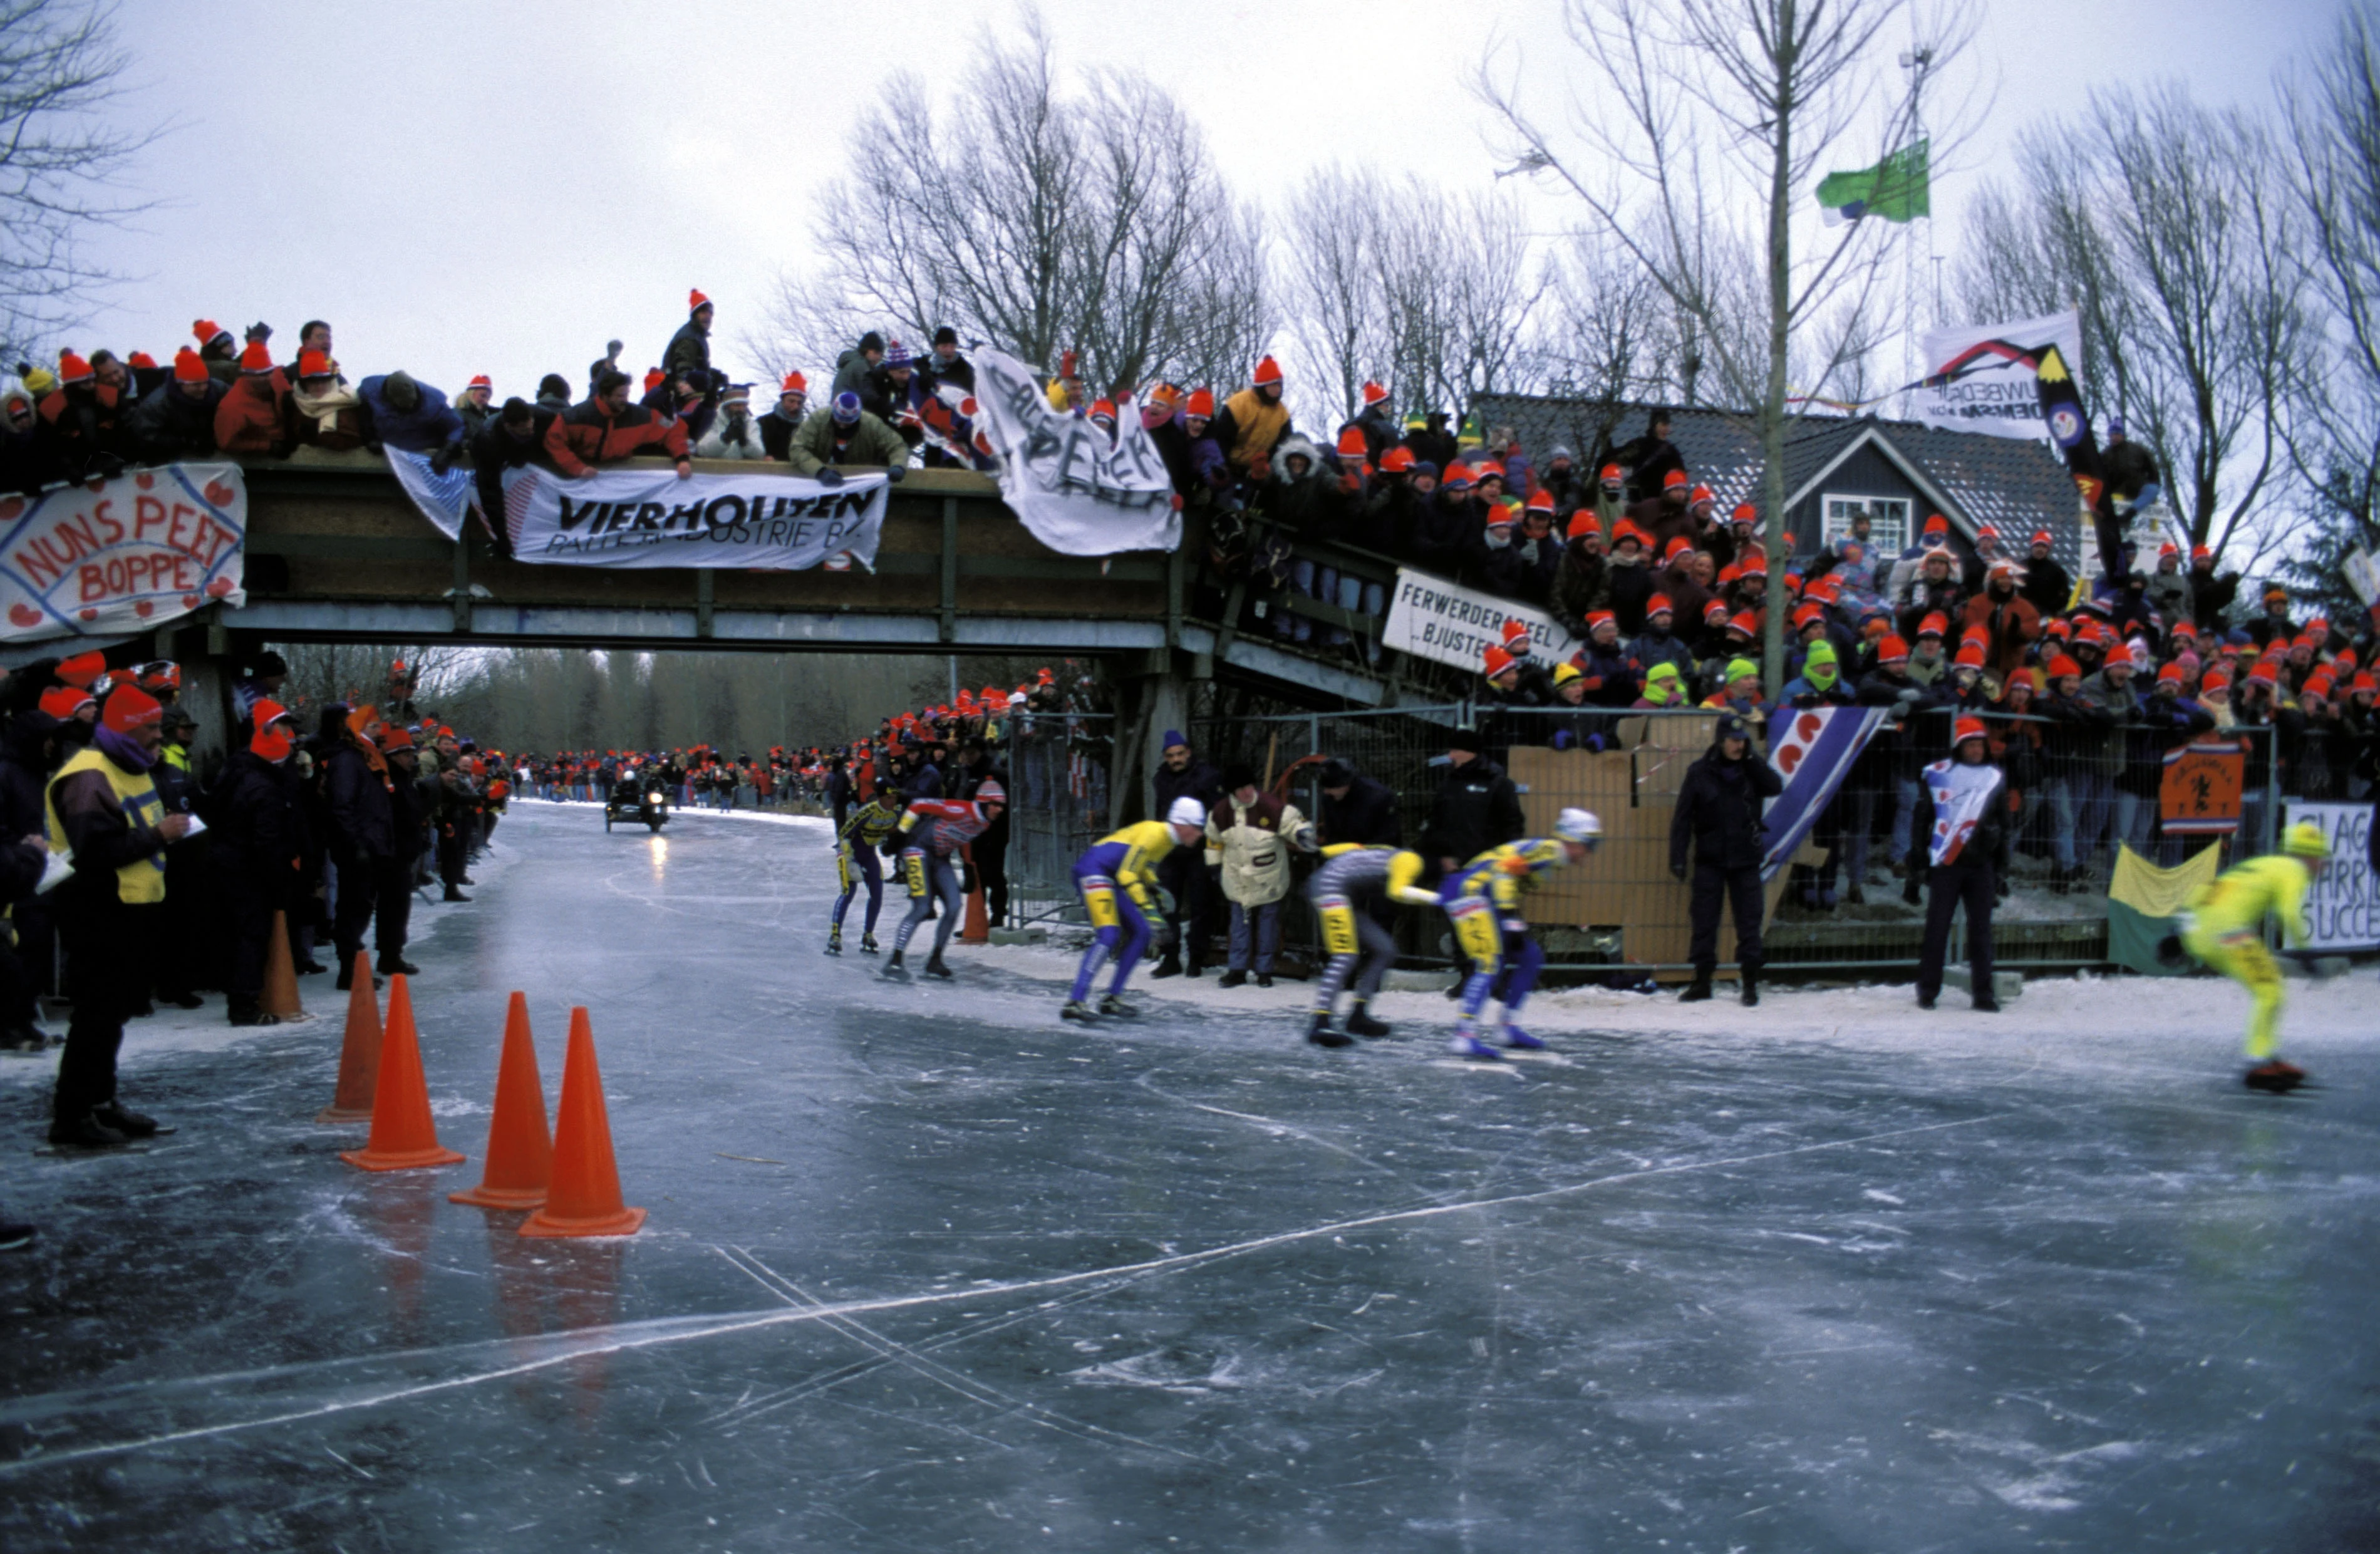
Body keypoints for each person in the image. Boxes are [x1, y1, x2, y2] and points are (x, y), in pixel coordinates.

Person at [44, 684, 191, 1148]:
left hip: (133, 905)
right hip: (98, 908)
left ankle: (101, 1102)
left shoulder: (135, 764)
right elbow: (92, 851)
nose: (158, 736)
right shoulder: (89, 775)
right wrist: (159, 835)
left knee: (114, 1013)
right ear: (128, 728)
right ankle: (72, 1115)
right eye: (150, 727)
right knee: (95, 1014)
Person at [2180, 821, 2332, 1092]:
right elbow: (2289, 913)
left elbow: (2212, 887)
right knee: (2269, 990)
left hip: (2200, 929)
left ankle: (2266, 1053)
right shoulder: (2293, 870)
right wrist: (2306, 952)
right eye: (2321, 859)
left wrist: (2177, 932)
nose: (2322, 867)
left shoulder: (2265, 863)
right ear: (2308, 856)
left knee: (2269, 988)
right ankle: (2258, 1059)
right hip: (2228, 932)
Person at [1437, 809, 1602, 1060]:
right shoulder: (1551, 850)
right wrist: (1510, 914)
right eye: (1589, 844)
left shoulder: (1551, 854)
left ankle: (1506, 1028)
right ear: (1573, 839)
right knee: (1490, 964)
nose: (1590, 852)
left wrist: (1509, 914)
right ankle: (1465, 1036)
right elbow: (1505, 871)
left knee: (1529, 956)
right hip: (1474, 893)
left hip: (1478, 893)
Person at [1670, 713, 1784, 1006]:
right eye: (1734, 741)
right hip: (1710, 858)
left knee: (1749, 921)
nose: (1738, 746)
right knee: (1705, 921)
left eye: (1743, 741)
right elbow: (1682, 819)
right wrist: (1678, 857)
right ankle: (1702, 981)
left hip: (1745, 858)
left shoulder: (1750, 769)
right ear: (1720, 741)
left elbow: (1775, 786)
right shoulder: (1699, 772)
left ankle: (1749, 983)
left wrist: (1753, 759)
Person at [1062, 797, 1207, 1022]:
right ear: (1182, 824)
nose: (1199, 834)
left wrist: (1157, 888)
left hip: (1109, 871)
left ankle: (1113, 998)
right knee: (1109, 935)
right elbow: (1127, 874)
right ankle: (1075, 1001)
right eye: (1197, 827)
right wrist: (1151, 911)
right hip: (1095, 869)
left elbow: (1140, 867)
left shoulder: (1168, 839)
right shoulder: (1157, 835)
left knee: (1142, 933)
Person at [1910, 717, 2014, 1013]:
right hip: (1947, 861)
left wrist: (2003, 867)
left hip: (1982, 863)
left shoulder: (1994, 778)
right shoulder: (1939, 775)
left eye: (1980, 743)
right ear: (1960, 747)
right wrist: (1918, 855)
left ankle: (1983, 994)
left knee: (1982, 931)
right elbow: (1923, 817)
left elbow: (2005, 824)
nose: (1977, 749)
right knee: (1937, 929)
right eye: (1971, 744)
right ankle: (1928, 991)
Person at [1304, 843, 1436, 1047]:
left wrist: (1321, 851)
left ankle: (1358, 1015)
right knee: (1345, 955)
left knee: (1385, 949)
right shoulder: (1411, 860)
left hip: (1341, 892)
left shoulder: (1387, 851)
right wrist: (1441, 899)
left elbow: (1355, 847)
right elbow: (1397, 892)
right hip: (1330, 888)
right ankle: (1320, 1022)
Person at [1204, 765, 1315, 988]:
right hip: (1238, 882)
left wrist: (1304, 834)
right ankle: (1237, 970)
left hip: (1269, 880)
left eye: (1248, 786)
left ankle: (1265, 971)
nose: (1246, 792)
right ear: (1232, 792)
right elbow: (1213, 840)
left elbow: (1293, 825)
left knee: (1268, 927)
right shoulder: (1220, 813)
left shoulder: (1273, 808)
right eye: (1240, 789)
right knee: (1239, 927)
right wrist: (1214, 867)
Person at [882, 780, 1005, 980]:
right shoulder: (960, 809)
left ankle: (936, 960)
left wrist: (968, 866)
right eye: (994, 804)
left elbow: (963, 837)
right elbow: (918, 804)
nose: (998, 810)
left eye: (1002, 806)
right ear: (982, 803)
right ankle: (895, 959)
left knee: (955, 906)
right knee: (922, 908)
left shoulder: (984, 823)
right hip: (917, 850)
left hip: (940, 856)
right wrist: (899, 835)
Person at [323, 704, 394, 990]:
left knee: (361, 905)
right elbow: (343, 805)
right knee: (353, 906)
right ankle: (349, 969)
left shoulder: (365, 758)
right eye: (375, 726)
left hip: (368, 843)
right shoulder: (350, 760)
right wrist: (356, 844)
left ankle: (352, 966)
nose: (381, 731)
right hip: (357, 846)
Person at [1149, 731, 1223, 978]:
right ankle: (1171, 957)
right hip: (1171, 849)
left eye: (1180, 754)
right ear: (1165, 756)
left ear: (1189, 752)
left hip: (1199, 850)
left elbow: (1216, 812)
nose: (1176, 759)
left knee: (1202, 905)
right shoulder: (1161, 778)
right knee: (1167, 904)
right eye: (1171, 756)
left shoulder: (1206, 777)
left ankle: (1196, 958)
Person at [828, 787, 903, 956]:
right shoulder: (868, 811)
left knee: (877, 893)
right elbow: (844, 834)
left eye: (895, 798)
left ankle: (868, 934)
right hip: (848, 853)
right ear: (881, 799)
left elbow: (905, 828)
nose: (893, 802)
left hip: (869, 854)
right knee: (848, 892)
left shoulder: (896, 814)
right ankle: (835, 936)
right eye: (889, 798)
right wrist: (849, 859)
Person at [789, 391, 908, 478]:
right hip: (819, 479)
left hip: (859, 480)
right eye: (840, 421)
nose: (842, 426)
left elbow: (897, 446)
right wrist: (820, 471)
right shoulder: (817, 420)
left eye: (848, 423)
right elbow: (798, 448)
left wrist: (898, 466)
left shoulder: (872, 424)